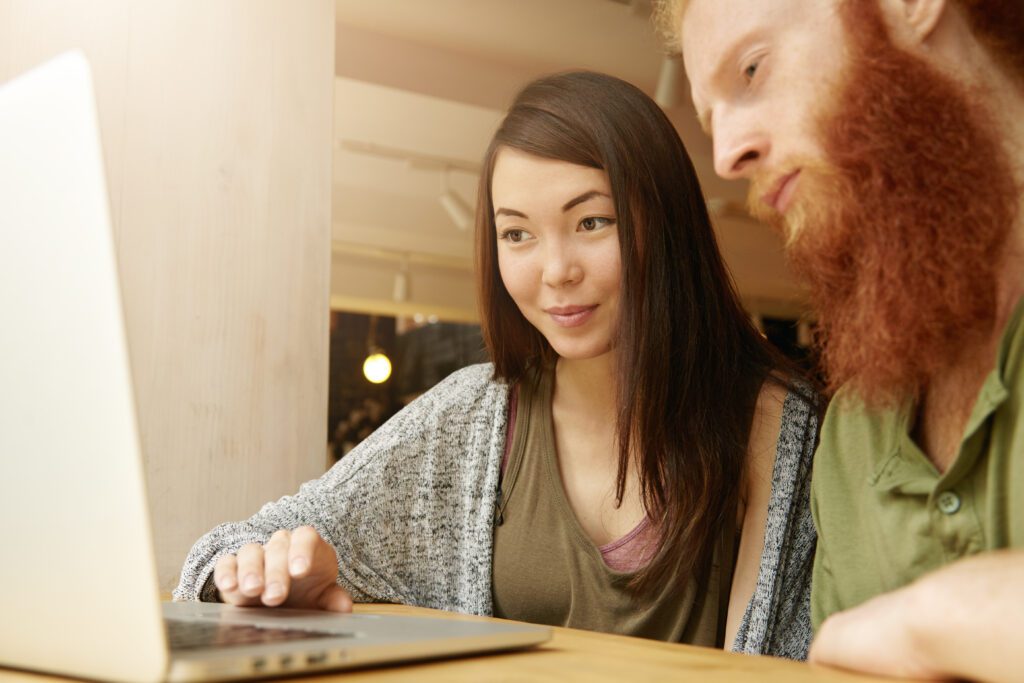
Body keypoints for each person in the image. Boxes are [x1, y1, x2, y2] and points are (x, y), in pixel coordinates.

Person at [174, 71, 820, 657]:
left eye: (593, 221)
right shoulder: (474, 412)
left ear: (667, 222)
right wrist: (262, 576)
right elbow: (224, 551)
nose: (555, 269)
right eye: (517, 233)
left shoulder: (783, 423)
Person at [657, 0, 1024, 679]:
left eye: (753, 68)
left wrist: (930, 620)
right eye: (712, 120)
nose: (727, 155)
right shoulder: (856, 424)